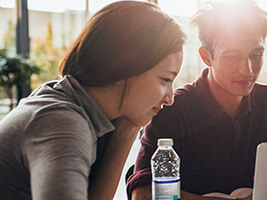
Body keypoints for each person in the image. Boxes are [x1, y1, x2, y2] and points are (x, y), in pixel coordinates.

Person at [0, 1, 185, 199]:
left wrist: (128, 129)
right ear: (124, 66)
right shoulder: (62, 124)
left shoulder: (67, 101)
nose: (170, 98)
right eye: (165, 79)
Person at [126, 1, 267, 199]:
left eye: (256, 55)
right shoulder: (173, 109)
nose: (247, 69)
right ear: (206, 57)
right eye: (232, 57)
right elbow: (142, 194)